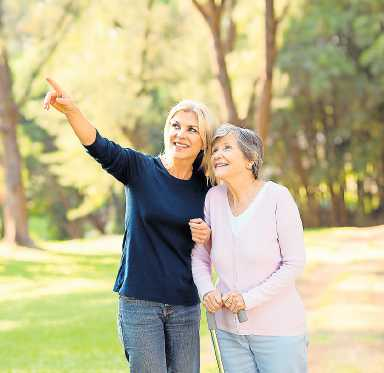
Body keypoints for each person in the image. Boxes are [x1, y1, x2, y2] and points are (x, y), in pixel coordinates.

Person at [43, 78, 217, 373]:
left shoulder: (209, 186)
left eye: (192, 129)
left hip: (185, 304)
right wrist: (72, 111)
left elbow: (225, 237)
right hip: (140, 302)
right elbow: (99, 145)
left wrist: (209, 235)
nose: (181, 134)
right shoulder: (140, 170)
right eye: (175, 125)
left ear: (204, 141)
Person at [192, 123, 307, 373]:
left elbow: (294, 263)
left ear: (250, 159)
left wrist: (248, 299)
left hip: (278, 329)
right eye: (215, 150)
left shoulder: (278, 197)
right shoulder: (213, 198)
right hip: (228, 330)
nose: (217, 154)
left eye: (226, 148)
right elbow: (201, 255)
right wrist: (206, 290)